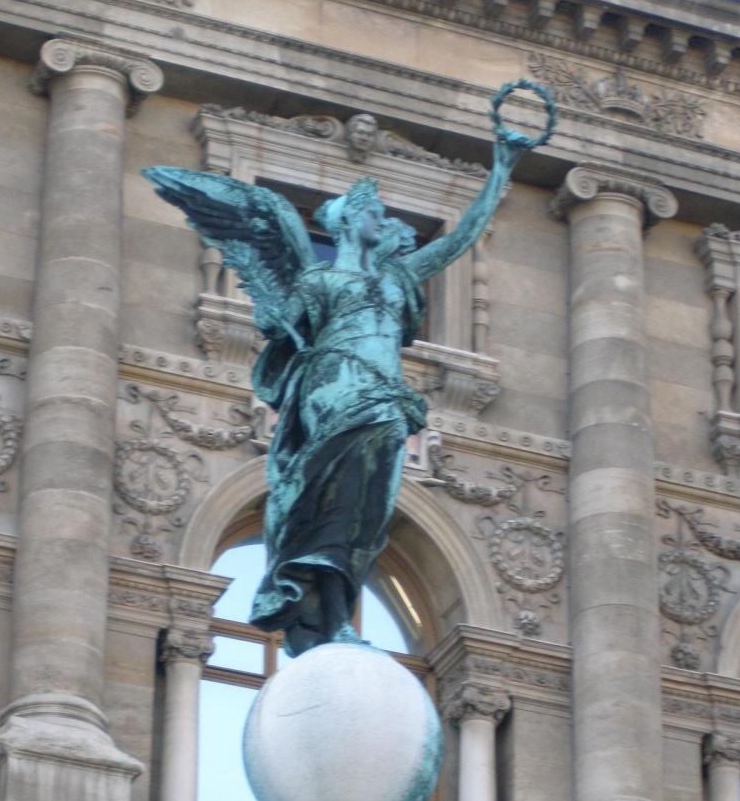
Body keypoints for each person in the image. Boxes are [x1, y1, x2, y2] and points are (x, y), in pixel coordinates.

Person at [144, 79, 554, 654]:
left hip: (385, 394)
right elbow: (286, 330)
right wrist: (277, 319)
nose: (382, 220)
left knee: (363, 516)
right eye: (374, 213)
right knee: (348, 474)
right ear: (349, 221)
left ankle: (334, 611)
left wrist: (502, 167)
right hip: (334, 385)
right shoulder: (319, 279)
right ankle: (310, 569)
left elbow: (460, 238)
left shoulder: (398, 276)